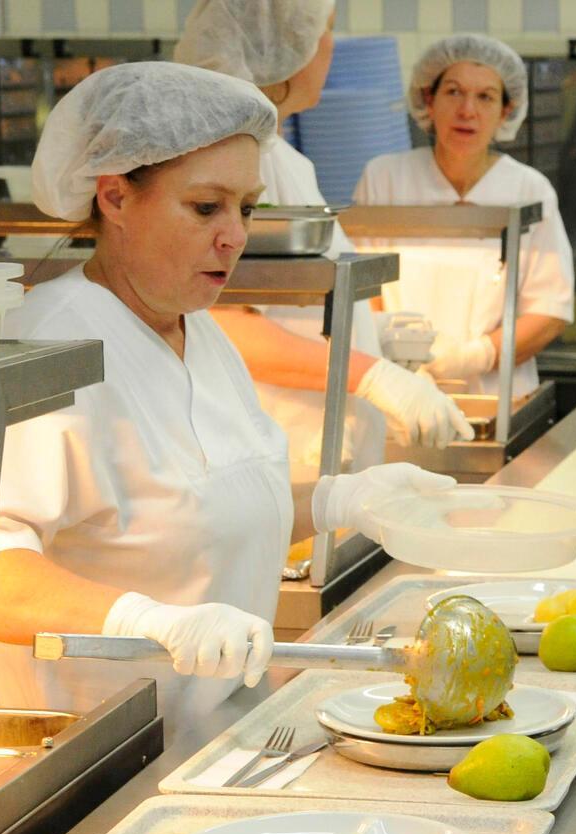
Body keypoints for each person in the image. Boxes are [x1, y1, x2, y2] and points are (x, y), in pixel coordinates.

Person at [0, 61, 459, 733]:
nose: (234, 234)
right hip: (82, 754)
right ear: (114, 198)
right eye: (206, 207)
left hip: (206, 731)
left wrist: (338, 499)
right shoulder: (43, 348)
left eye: (246, 208)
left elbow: (201, 503)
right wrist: (145, 622)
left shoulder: (200, 334)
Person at [175, 0, 471, 538]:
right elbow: (218, 323)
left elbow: (289, 299)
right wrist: (375, 376)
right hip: (287, 459)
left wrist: (374, 336)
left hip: (323, 458)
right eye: (325, 31)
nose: (332, 47)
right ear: (279, 52)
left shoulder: (282, 159)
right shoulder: (245, 163)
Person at [352, 36, 572, 403]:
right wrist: (392, 357)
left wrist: (476, 356)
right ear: (428, 100)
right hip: (396, 398)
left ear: (506, 110)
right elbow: (360, 290)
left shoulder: (529, 190)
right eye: (453, 92)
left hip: (498, 401)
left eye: (485, 97)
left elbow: (550, 309)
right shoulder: (384, 178)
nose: (467, 110)